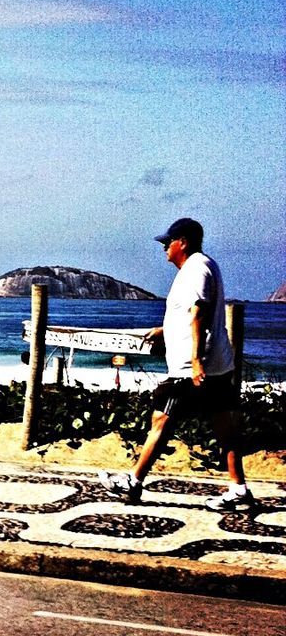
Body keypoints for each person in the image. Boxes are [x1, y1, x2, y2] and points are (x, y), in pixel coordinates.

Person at [101, 218, 253, 512]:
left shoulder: (196, 268)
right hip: (218, 362)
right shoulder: (203, 265)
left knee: (161, 420)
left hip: (191, 366)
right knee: (225, 426)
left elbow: (199, 312)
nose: (164, 249)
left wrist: (195, 361)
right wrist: (164, 330)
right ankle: (239, 489)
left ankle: (133, 482)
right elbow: (189, 313)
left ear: (182, 241)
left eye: (166, 242)